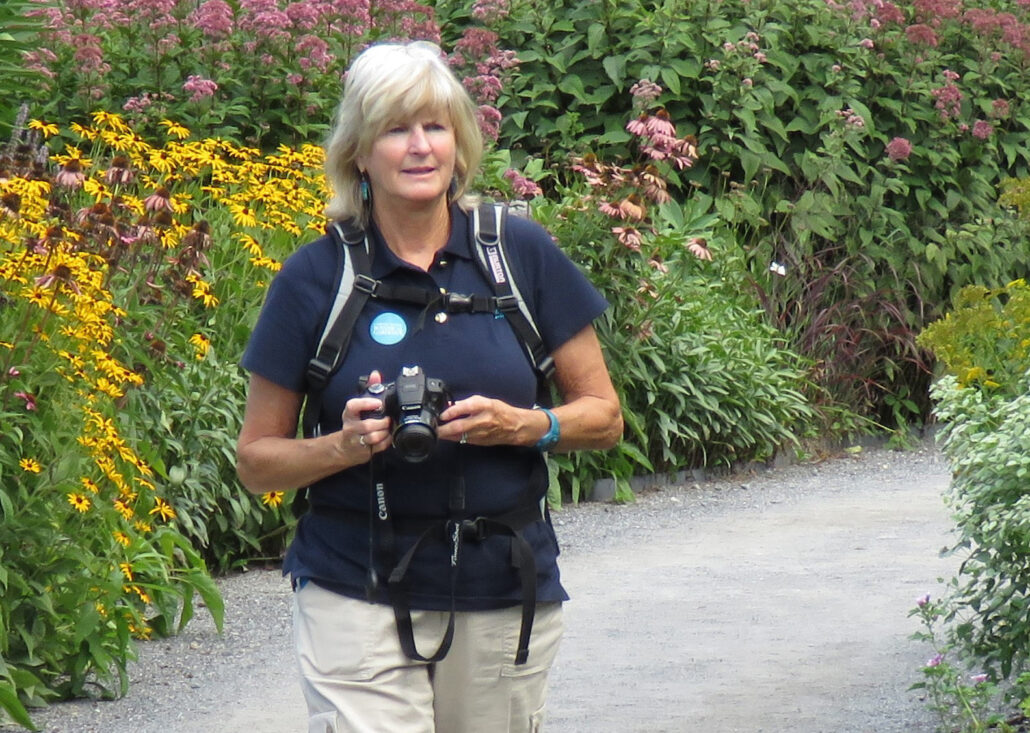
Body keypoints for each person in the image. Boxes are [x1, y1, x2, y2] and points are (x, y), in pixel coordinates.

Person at [236, 40, 622, 733]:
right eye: (395, 129)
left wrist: (527, 424)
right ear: (359, 152)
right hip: (355, 581)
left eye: (435, 127)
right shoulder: (314, 277)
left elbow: (605, 417)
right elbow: (257, 461)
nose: (419, 147)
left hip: (499, 579)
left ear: (460, 143)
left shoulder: (518, 253)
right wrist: (344, 447)